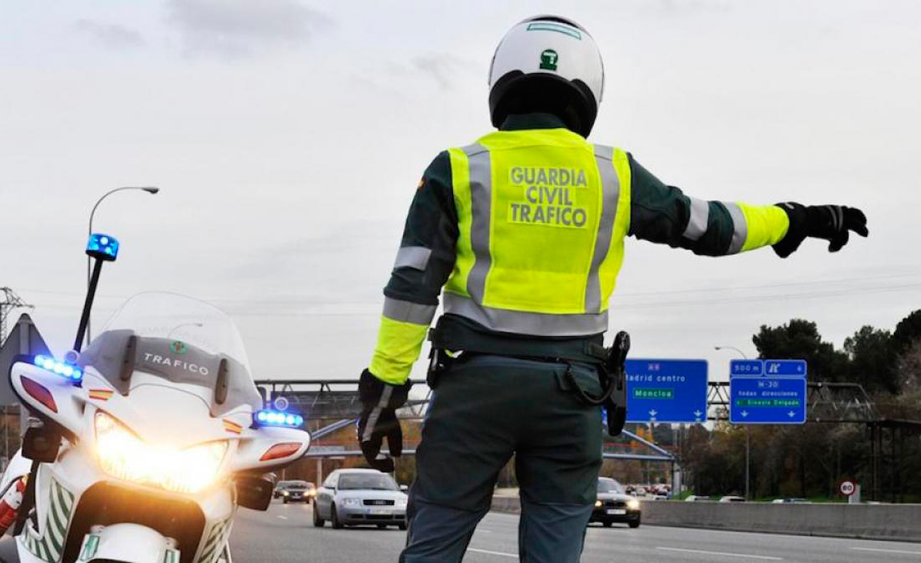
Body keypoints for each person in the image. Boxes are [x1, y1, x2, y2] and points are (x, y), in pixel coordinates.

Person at [356, 15, 867, 563]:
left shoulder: (458, 169)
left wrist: (384, 391)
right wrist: (795, 220)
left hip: (472, 387)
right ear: (587, 89)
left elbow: (411, 288)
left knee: (437, 534)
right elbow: (710, 225)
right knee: (555, 541)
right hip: (570, 394)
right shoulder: (613, 175)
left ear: (501, 81)